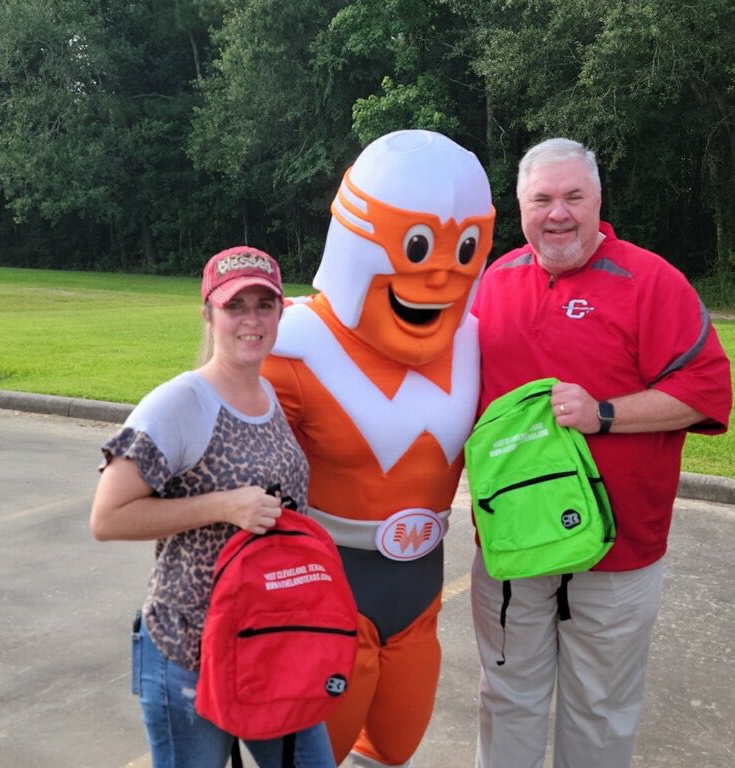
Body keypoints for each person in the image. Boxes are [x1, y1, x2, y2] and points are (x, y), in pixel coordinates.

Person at [468, 138, 733, 768]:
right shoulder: (492, 285)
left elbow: (705, 391)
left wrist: (604, 414)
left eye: (573, 197)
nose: (557, 213)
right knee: (506, 701)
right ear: (520, 207)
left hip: (619, 554)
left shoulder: (650, 281)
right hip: (513, 549)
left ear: (597, 202)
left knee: (601, 712)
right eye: (542, 199)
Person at [261, 129, 496, 767]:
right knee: (309, 747)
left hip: (419, 585)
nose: (437, 276)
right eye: (417, 248)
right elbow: (229, 467)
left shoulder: (479, 340)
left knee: (395, 740)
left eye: (462, 251)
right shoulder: (294, 344)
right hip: (324, 585)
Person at [89, 246, 336, 768]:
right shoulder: (181, 403)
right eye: (234, 306)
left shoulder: (268, 395)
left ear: (281, 312)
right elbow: (107, 517)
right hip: (189, 653)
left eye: (263, 304)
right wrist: (224, 505)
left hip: (271, 647)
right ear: (208, 314)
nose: (251, 320)